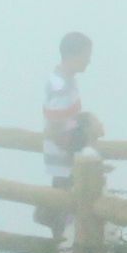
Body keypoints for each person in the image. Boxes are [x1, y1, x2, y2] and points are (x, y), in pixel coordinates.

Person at [42, 32, 97, 185]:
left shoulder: (68, 81)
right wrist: (85, 124)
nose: (88, 61)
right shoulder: (60, 86)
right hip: (64, 163)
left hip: (67, 162)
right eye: (86, 55)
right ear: (73, 56)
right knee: (65, 203)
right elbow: (56, 128)